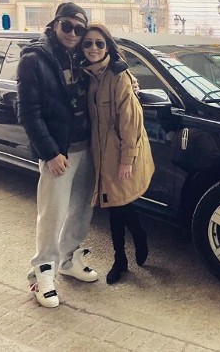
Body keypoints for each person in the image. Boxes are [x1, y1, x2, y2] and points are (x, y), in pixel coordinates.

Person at [17, 2, 99, 308]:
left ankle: (68, 260)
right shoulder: (34, 58)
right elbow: (28, 112)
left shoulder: (82, 55)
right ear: (55, 24)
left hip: (87, 147)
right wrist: (50, 152)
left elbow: (108, 65)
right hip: (59, 154)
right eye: (67, 26)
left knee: (81, 210)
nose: (73, 33)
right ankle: (42, 273)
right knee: (52, 214)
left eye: (79, 29)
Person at [80, 24, 155, 285]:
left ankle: (123, 255)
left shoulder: (118, 76)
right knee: (115, 204)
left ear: (107, 47)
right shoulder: (86, 74)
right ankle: (126, 251)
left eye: (99, 43)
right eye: (88, 43)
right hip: (100, 152)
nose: (93, 48)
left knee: (117, 205)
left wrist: (127, 159)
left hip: (119, 152)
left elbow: (130, 121)